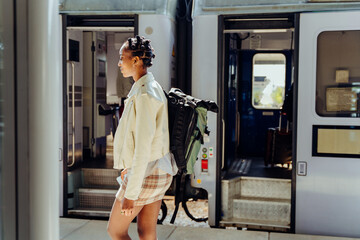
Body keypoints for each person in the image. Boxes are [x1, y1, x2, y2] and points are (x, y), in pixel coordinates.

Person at [107, 35, 177, 240]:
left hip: (148, 173)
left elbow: (143, 147)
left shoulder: (144, 95)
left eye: (122, 57)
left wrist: (130, 194)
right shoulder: (151, 88)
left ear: (136, 60)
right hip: (159, 169)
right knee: (146, 231)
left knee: (115, 231)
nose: (119, 63)